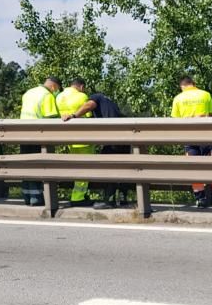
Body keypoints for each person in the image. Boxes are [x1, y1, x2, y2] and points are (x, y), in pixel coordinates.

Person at [170, 76, 212, 208]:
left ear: (182, 87)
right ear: (194, 84)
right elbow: (210, 117)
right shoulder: (205, 95)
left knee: (193, 167)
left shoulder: (178, 98)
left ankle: (200, 198)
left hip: (189, 137)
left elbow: (175, 121)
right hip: (207, 136)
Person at [63, 88, 131, 209]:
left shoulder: (96, 97)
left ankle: (109, 201)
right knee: (122, 168)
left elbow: (89, 105)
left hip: (115, 137)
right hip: (125, 136)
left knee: (108, 167)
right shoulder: (108, 103)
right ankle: (123, 199)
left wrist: (74, 115)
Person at [19, 77, 61, 206]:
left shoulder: (29, 92)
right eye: (58, 90)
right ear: (54, 87)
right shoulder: (47, 95)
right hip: (37, 134)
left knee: (26, 165)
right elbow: (51, 118)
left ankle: (28, 197)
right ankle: (37, 198)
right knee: (38, 166)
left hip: (21, 134)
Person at [55, 78, 95, 207]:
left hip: (68, 138)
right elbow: (88, 116)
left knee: (76, 166)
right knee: (85, 167)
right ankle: (78, 197)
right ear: (82, 87)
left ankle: (79, 195)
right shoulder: (82, 96)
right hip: (83, 137)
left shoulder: (59, 97)